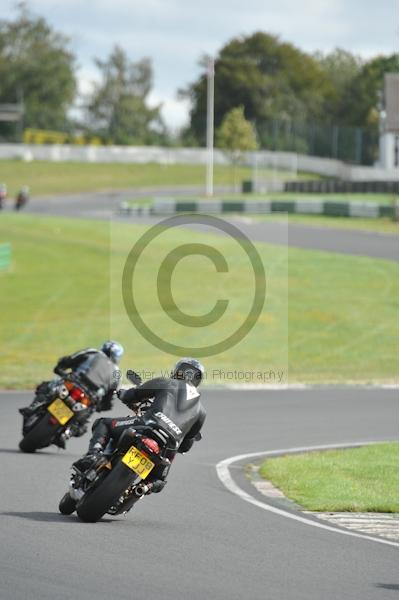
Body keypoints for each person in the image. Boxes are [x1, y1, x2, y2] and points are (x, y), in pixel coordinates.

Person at [73, 357, 206, 495]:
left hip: (147, 426)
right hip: (169, 447)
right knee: (158, 480)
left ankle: (93, 456)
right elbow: (186, 446)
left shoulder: (166, 382)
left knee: (103, 423)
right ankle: (144, 487)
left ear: (178, 370)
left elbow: (133, 395)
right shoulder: (202, 412)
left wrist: (122, 393)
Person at [19, 341, 124, 446]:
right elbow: (110, 398)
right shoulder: (117, 374)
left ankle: (33, 407)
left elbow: (71, 359)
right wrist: (102, 406)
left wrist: (60, 367)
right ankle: (67, 433)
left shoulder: (92, 352)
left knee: (47, 387)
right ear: (118, 357)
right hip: (88, 397)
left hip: (73, 383)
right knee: (83, 423)